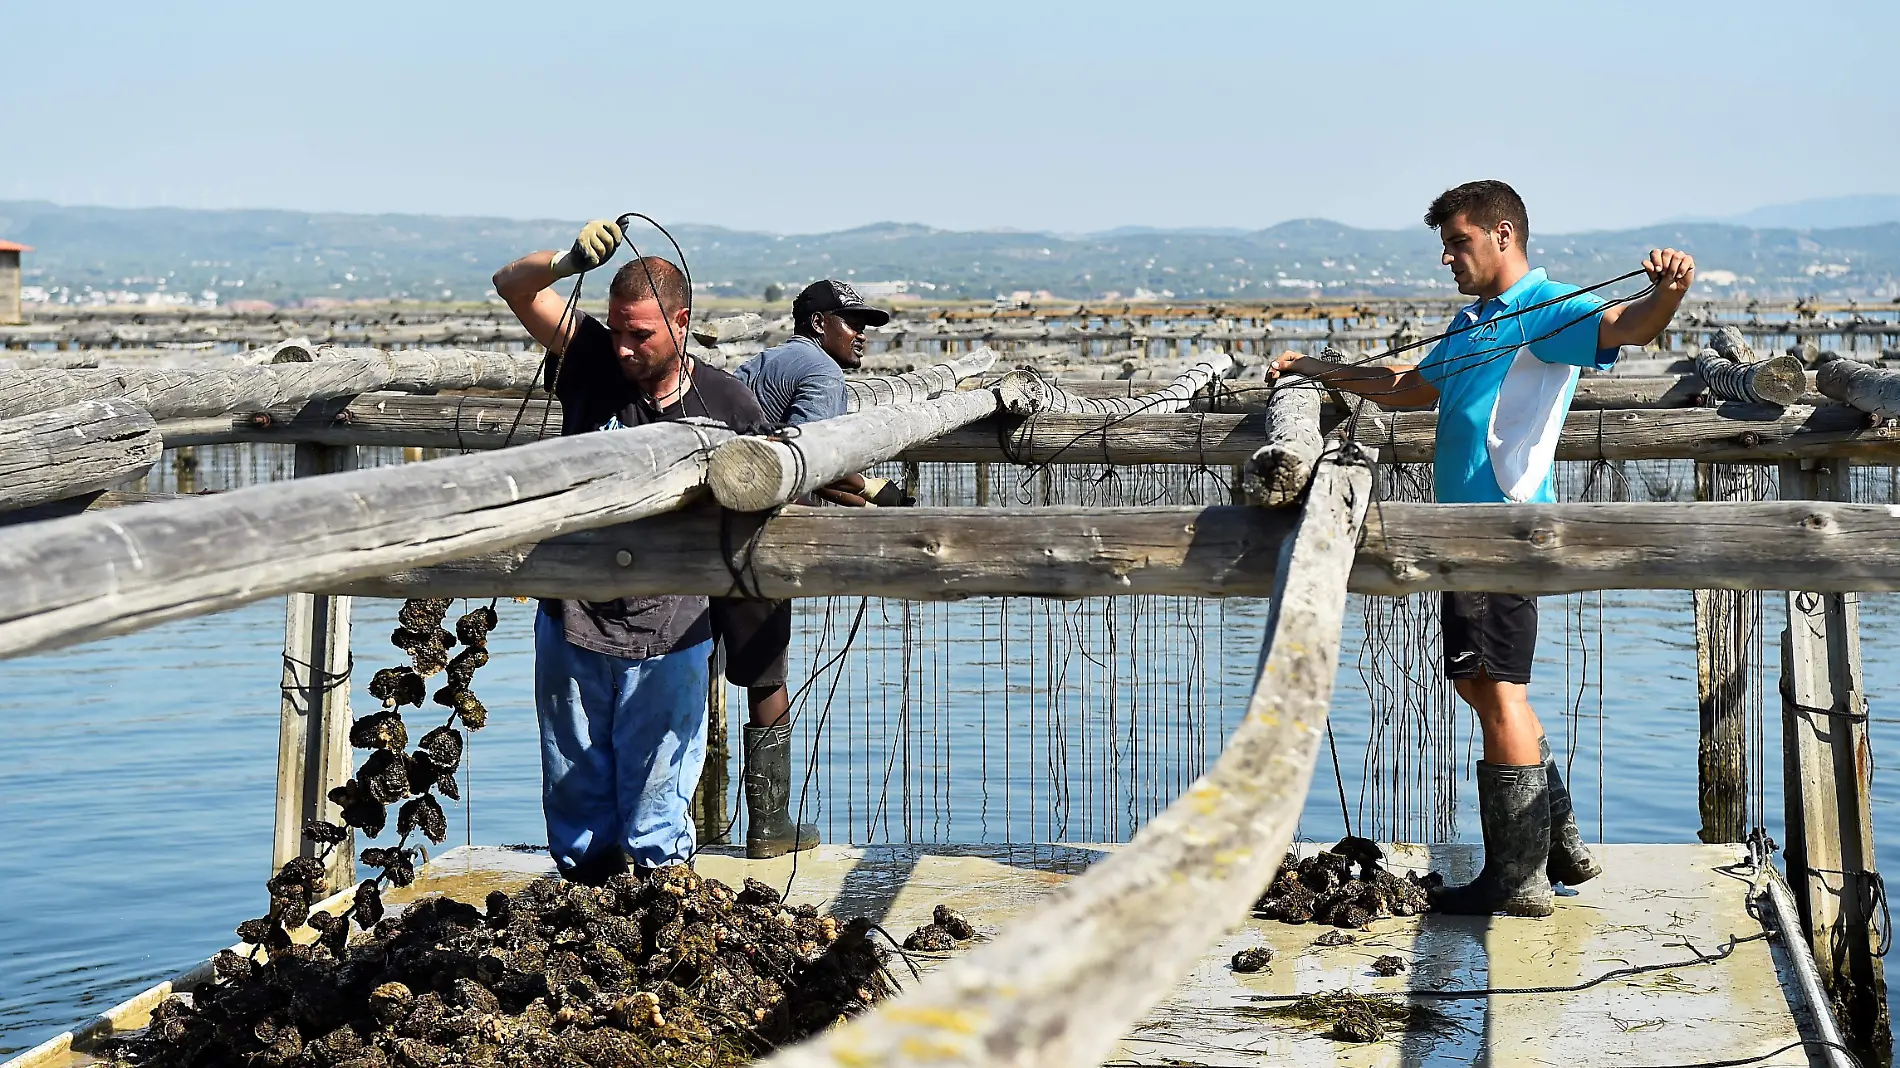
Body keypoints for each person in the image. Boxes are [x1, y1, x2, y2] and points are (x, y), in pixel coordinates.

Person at [1268, 180, 1695, 917]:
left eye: (1458, 241)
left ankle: (1518, 881)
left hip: (1504, 527)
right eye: (1444, 245)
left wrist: (1669, 291)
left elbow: (1631, 327)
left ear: (1503, 234)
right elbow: (1405, 385)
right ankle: (1556, 843)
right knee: (1484, 686)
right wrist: (1316, 369)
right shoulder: (1473, 322)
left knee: (1494, 689)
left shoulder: (1546, 307)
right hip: (1464, 533)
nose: (1447, 257)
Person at [492, 218, 768, 884]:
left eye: (639, 334)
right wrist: (563, 259)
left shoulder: (727, 400)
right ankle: (583, 907)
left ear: (681, 322)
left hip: (673, 630)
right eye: (616, 329)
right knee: (576, 796)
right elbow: (511, 284)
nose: (622, 348)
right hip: (572, 620)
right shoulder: (588, 357)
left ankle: (665, 912)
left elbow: (768, 505)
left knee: (659, 806)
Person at [716, 279, 905, 859]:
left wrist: (865, 499)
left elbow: (781, 450)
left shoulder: (769, 361)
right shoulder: (822, 371)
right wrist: (878, 489)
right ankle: (770, 828)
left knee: (692, 666)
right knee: (767, 675)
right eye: (853, 323)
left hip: (704, 527)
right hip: (755, 536)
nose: (863, 336)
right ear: (820, 323)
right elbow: (808, 454)